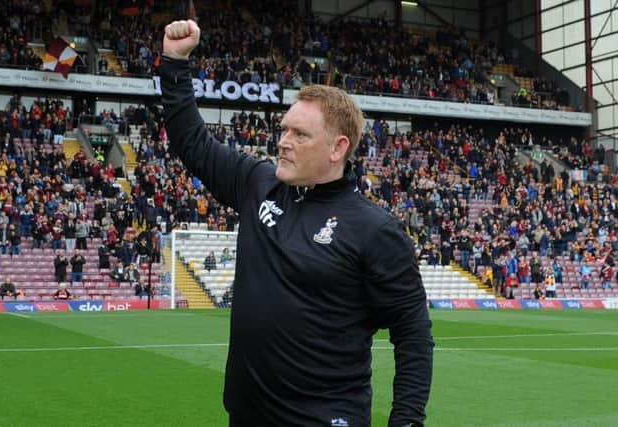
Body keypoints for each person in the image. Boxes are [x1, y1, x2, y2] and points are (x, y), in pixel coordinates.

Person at [160, 20, 433, 427]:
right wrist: (174, 62)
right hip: (247, 416)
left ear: (338, 148)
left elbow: (412, 334)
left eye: (299, 134)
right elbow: (193, 142)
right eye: (284, 129)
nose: (283, 141)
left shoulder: (376, 230)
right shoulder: (258, 183)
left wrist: (407, 421)